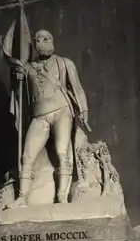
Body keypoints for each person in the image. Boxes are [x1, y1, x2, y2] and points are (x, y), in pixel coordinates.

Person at [9, 30, 90, 207]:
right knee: (27, 156)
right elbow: (19, 94)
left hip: (62, 111)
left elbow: (77, 88)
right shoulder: (28, 68)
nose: (43, 42)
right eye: (39, 39)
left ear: (52, 41)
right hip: (39, 116)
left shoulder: (64, 63)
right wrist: (16, 79)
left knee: (63, 153)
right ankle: (22, 197)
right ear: (35, 44)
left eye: (46, 38)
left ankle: (62, 196)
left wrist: (83, 110)